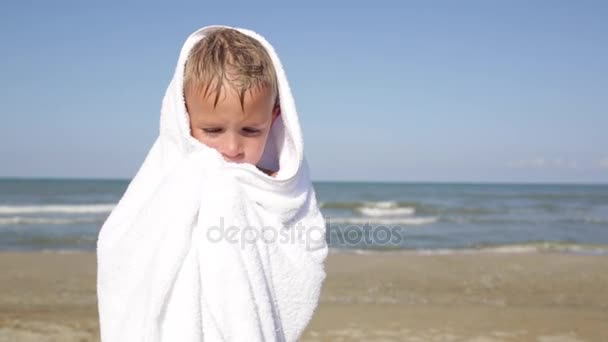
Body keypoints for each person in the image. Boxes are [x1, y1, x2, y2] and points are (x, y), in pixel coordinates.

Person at [183, 27, 281, 177]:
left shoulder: (279, 189)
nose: (232, 149)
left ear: (273, 119)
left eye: (250, 130)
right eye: (213, 130)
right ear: (183, 119)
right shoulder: (170, 187)